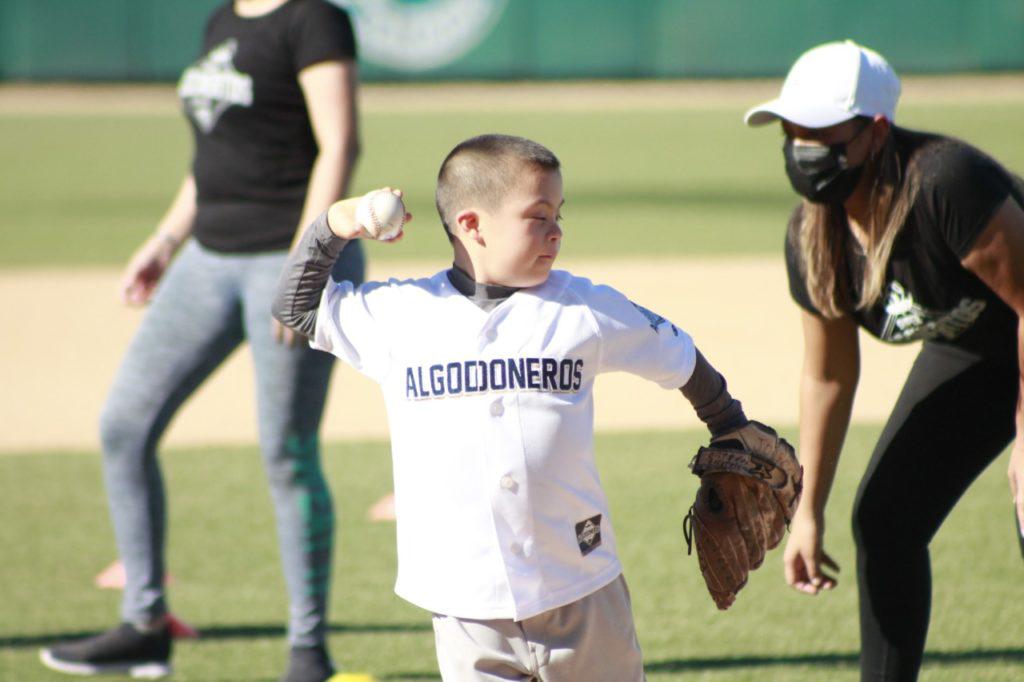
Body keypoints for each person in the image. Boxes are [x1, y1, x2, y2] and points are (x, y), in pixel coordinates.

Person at [272, 133, 786, 680]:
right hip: (465, 606)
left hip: (579, 588)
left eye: (559, 214)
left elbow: (678, 356)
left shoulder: (582, 307)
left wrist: (727, 422)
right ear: (471, 225)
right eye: (538, 216)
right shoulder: (402, 314)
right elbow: (295, 307)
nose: (556, 231)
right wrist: (336, 223)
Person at [39, 1, 364, 680]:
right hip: (206, 260)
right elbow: (211, 156)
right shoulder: (221, 20)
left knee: (286, 453)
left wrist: (307, 265)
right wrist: (164, 240)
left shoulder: (313, 19)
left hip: (287, 255)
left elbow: (340, 144)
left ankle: (308, 651)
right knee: (124, 426)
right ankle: (144, 624)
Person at [744, 41, 1024, 681]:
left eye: (820, 130)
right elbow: (829, 375)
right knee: (885, 520)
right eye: (791, 129)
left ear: (875, 132)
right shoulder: (812, 235)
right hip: (979, 349)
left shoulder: (946, 182)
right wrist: (805, 510)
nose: (801, 144)